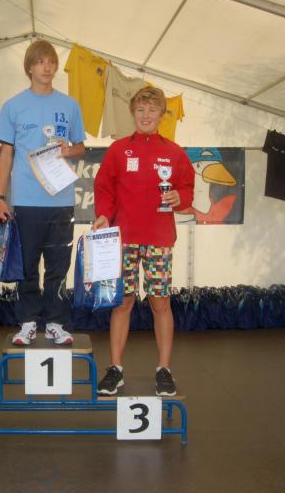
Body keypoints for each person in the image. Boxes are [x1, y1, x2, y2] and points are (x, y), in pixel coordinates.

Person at [92, 86, 195, 396]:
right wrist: (103, 216)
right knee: (122, 302)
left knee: (160, 302)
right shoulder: (118, 150)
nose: (146, 115)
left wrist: (180, 198)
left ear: (162, 115)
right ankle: (116, 369)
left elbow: (187, 188)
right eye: (140, 110)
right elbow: (104, 188)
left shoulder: (174, 152)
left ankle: (164, 369)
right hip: (123, 239)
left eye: (152, 110)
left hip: (159, 239)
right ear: (132, 113)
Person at [0, 39, 86, 346]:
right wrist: (0, 197)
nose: (47, 67)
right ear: (30, 67)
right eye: (41, 62)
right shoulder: (13, 106)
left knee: (58, 265)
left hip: (61, 200)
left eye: (51, 62)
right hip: (25, 201)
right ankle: (28, 322)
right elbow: (6, 154)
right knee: (27, 265)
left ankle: (56, 323)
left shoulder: (70, 105)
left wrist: (68, 150)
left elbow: (81, 147)